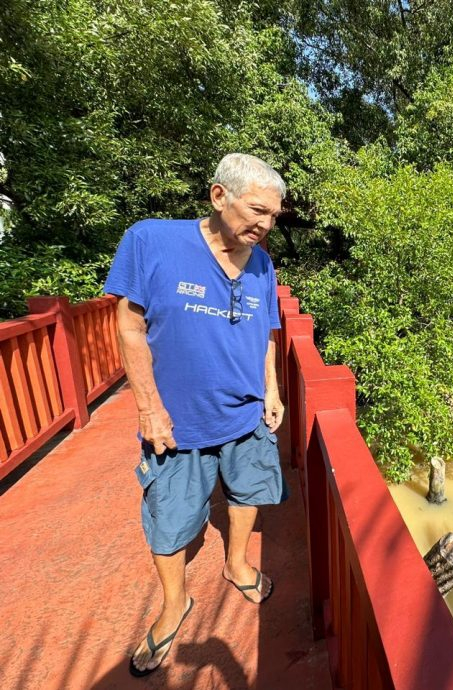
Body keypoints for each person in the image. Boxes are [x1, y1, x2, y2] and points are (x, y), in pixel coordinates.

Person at [105, 153, 288, 677]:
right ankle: (173, 605)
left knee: (249, 493)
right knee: (168, 524)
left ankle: (235, 564)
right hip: (177, 420)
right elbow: (130, 326)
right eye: (257, 210)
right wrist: (148, 407)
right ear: (218, 196)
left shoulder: (262, 262)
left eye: (273, 215)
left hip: (247, 413)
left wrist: (271, 389)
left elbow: (267, 334)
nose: (265, 224)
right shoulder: (152, 240)